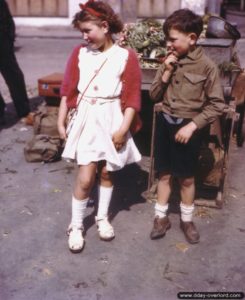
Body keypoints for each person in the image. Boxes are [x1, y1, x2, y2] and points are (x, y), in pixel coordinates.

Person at [57, 0, 142, 253]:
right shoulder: (79, 53)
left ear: (105, 26)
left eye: (88, 31)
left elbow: (132, 98)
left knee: (107, 172)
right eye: (82, 32)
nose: (84, 37)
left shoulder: (125, 56)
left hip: (112, 116)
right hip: (86, 117)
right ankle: (75, 225)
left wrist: (122, 129)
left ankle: (102, 217)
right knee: (85, 178)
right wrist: (61, 120)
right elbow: (68, 89)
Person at [149, 9, 225, 244]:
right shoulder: (168, 62)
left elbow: (217, 105)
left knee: (187, 178)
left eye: (173, 39)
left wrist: (192, 126)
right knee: (163, 173)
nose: (168, 44)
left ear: (192, 38)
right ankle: (161, 218)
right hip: (165, 123)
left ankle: (186, 219)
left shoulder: (207, 66)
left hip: (187, 127)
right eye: (167, 40)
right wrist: (166, 73)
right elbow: (153, 95)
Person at [0, 0, 32, 125]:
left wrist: (8, 39)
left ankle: (23, 111)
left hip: (2, 39)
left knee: (13, 75)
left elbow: (6, 20)